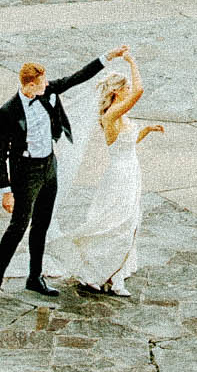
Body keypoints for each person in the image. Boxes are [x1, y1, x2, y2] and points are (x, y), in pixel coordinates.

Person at [0, 45, 130, 311]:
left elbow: (77, 77)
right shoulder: (8, 111)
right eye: (41, 82)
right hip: (24, 173)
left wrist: (108, 57)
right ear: (29, 85)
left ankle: (35, 276)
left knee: (42, 224)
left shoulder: (48, 92)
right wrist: (6, 190)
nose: (47, 85)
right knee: (18, 228)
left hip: (49, 167)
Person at [47, 51, 162, 297]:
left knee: (129, 220)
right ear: (117, 91)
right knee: (117, 222)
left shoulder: (121, 117)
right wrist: (132, 61)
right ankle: (105, 274)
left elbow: (127, 142)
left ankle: (110, 273)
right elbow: (140, 91)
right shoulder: (110, 116)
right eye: (126, 87)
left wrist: (147, 130)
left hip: (131, 172)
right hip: (120, 176)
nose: (130, 89)